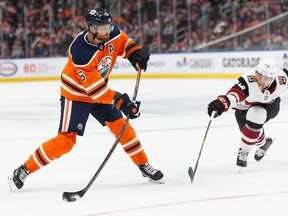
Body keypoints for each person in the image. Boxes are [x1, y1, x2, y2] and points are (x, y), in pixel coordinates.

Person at [8, 8, 164, 191]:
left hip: (100, 90)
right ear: (90, 28)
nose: (107, 31)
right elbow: (96, 92)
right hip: (76, 95)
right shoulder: (80, 52)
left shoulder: (111, 34)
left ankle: (143, 165)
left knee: (123, 128)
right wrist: (122, 101)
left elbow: (123, 42)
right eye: (102, 28)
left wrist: (133, 52)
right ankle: (24, 170)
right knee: (66, 141)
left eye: (108, 26)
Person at [207, 58, 288, 169]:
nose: (261, 80)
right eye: (259, 76)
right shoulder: (248, 80)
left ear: (273, 78)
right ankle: (265, 144)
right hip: (243, 109)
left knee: (256, 115)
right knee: (250, 135)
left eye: (266, 78)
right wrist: (222, 103)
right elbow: (235, 94)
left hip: (270, 106)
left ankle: (244, 151)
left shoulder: (282, 80)